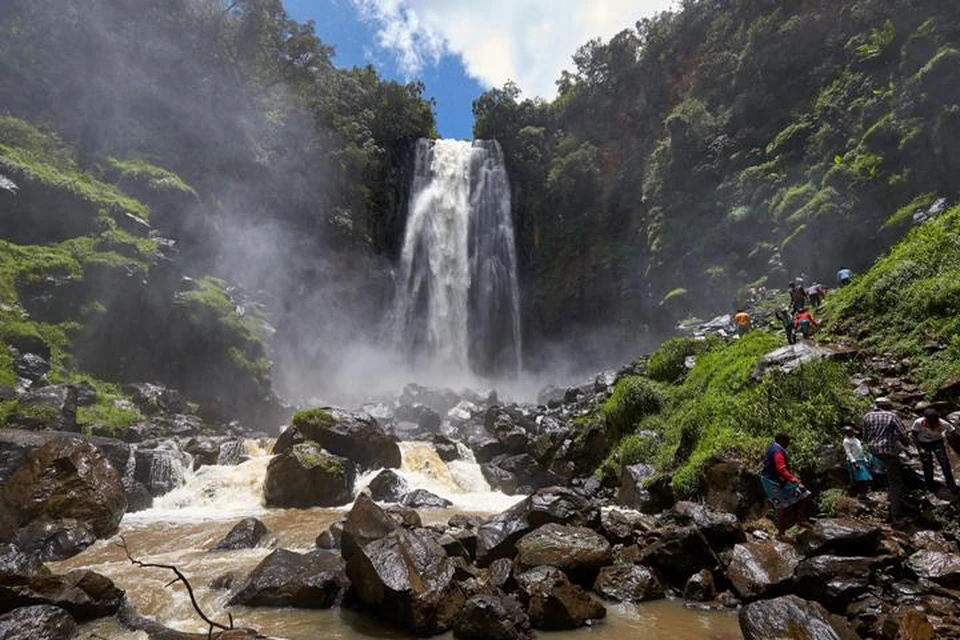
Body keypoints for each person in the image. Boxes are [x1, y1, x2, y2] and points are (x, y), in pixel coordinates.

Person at [861, 397, 912, 522]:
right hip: (889, 451)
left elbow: (865, 436)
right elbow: (903, 434)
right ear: (888, 405)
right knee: (895, 483)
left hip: (874, 450)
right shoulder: (892, 416)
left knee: (882, 469)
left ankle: (880, 487)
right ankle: (896, 516)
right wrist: (908, 446)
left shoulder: (867, 416)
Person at [761, 433, 813, 541]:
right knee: (782, 506)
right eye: (787, 441)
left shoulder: (773, 447)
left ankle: (800, 520)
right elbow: (781, 468)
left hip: (777, 480)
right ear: (781, 440)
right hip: (772, 482)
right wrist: (795, 480)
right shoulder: (778, 450)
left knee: (803, 495)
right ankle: (782, 534)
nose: (788, 444)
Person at [910, 407, 959, 494]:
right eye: (930, 422)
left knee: (944, 463)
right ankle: (930, 486)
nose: (932, 424)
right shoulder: (918, 423)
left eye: (934, 422)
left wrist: (950, 440)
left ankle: (951, 484)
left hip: (937, 442)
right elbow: (913, 435)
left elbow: (953, 431)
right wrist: (920, 449)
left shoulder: (943, 423)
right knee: (927, 464)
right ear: (926, 419)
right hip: (923, 443)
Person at [842, 426, 873, 495]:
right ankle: (860, 494)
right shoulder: (846, 441)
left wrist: (865, 459)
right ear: (846, 433)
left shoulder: (856, 440)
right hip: (855, 461)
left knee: (865, 477)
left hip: (861, 460)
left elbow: (860, 450)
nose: (852, 432)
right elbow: (848, 452)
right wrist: (853, 462)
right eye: (850, 431)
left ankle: (864, 493)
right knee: (860, 478)